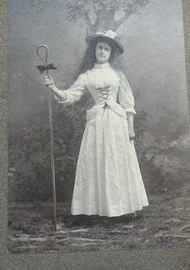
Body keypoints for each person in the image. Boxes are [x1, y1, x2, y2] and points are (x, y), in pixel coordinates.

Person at [45, 30, 149, 218]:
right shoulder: (87, 76)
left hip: (117, 122)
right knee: (97, 161)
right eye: (99, 48)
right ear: (94, 50)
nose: (102, 51)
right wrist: (53, 87)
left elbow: (127, 102)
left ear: (111, 53)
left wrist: (131, 128)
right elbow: (71, 96)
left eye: (106, 49)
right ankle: (98, 210)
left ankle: (126, 208)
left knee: (119, 161)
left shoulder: (118, 74)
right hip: (96, 123)